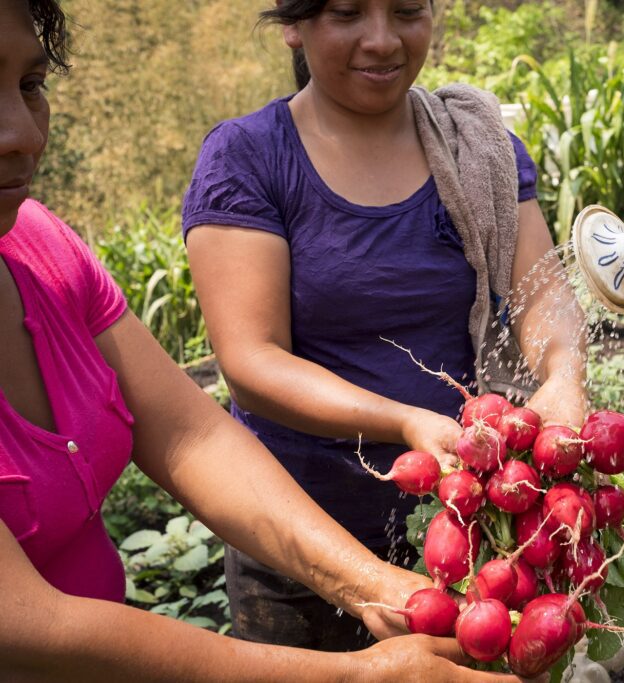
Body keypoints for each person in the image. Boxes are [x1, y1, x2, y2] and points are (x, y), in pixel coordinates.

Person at [0, 1, 530, 679]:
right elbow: (23, 620)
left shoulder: (41, 247)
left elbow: (192, 436)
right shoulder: (251, 156)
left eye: (31, 85)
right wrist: (360, 673)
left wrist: (371, 584)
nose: (23, 134)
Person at [182, 0, 589, 652]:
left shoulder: (473, 145)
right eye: (346, 13)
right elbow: (252, 361)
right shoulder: (249, 158)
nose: (383, 40)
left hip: (472, 532)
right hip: (300, 545)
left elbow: (541, 292)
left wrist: (564, 372)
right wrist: (403, 422)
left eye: (406, 11)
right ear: (294, 22)